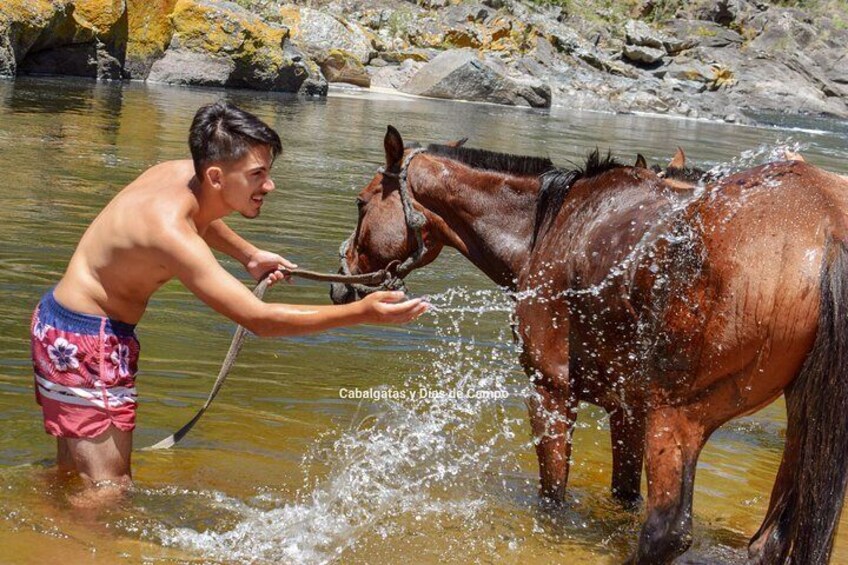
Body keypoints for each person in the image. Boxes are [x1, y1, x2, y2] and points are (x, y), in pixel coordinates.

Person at [30, 101, 427, 499]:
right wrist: (361, 312)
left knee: (73, 475)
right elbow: (259, 320)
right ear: (217, 175)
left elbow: (201, 216)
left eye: (268, 172)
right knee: (108, 490)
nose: (269, 186)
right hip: (89, 345)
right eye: (257, 175)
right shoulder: (170, 232)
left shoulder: (182, 173)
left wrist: (249, 255)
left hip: (62, 323)